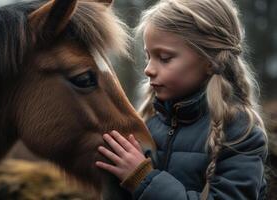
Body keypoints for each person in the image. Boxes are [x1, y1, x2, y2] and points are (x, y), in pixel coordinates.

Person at [95, 0, 268, 199]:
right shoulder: (149, 122)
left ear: (210, 61)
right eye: (148, 56)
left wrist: (142, 178)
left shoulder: (239, 133)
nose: (148, 69)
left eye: (165, 58)